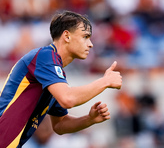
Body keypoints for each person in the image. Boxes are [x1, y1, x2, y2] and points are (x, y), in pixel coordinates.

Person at [0, 10, 122, 148]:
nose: (90, 44)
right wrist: (105, 81)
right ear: (67, 36)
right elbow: (67, 99)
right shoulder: (46, 57)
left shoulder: (54, 73)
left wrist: (89, 119)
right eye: (85, 36)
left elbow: (60, 125)